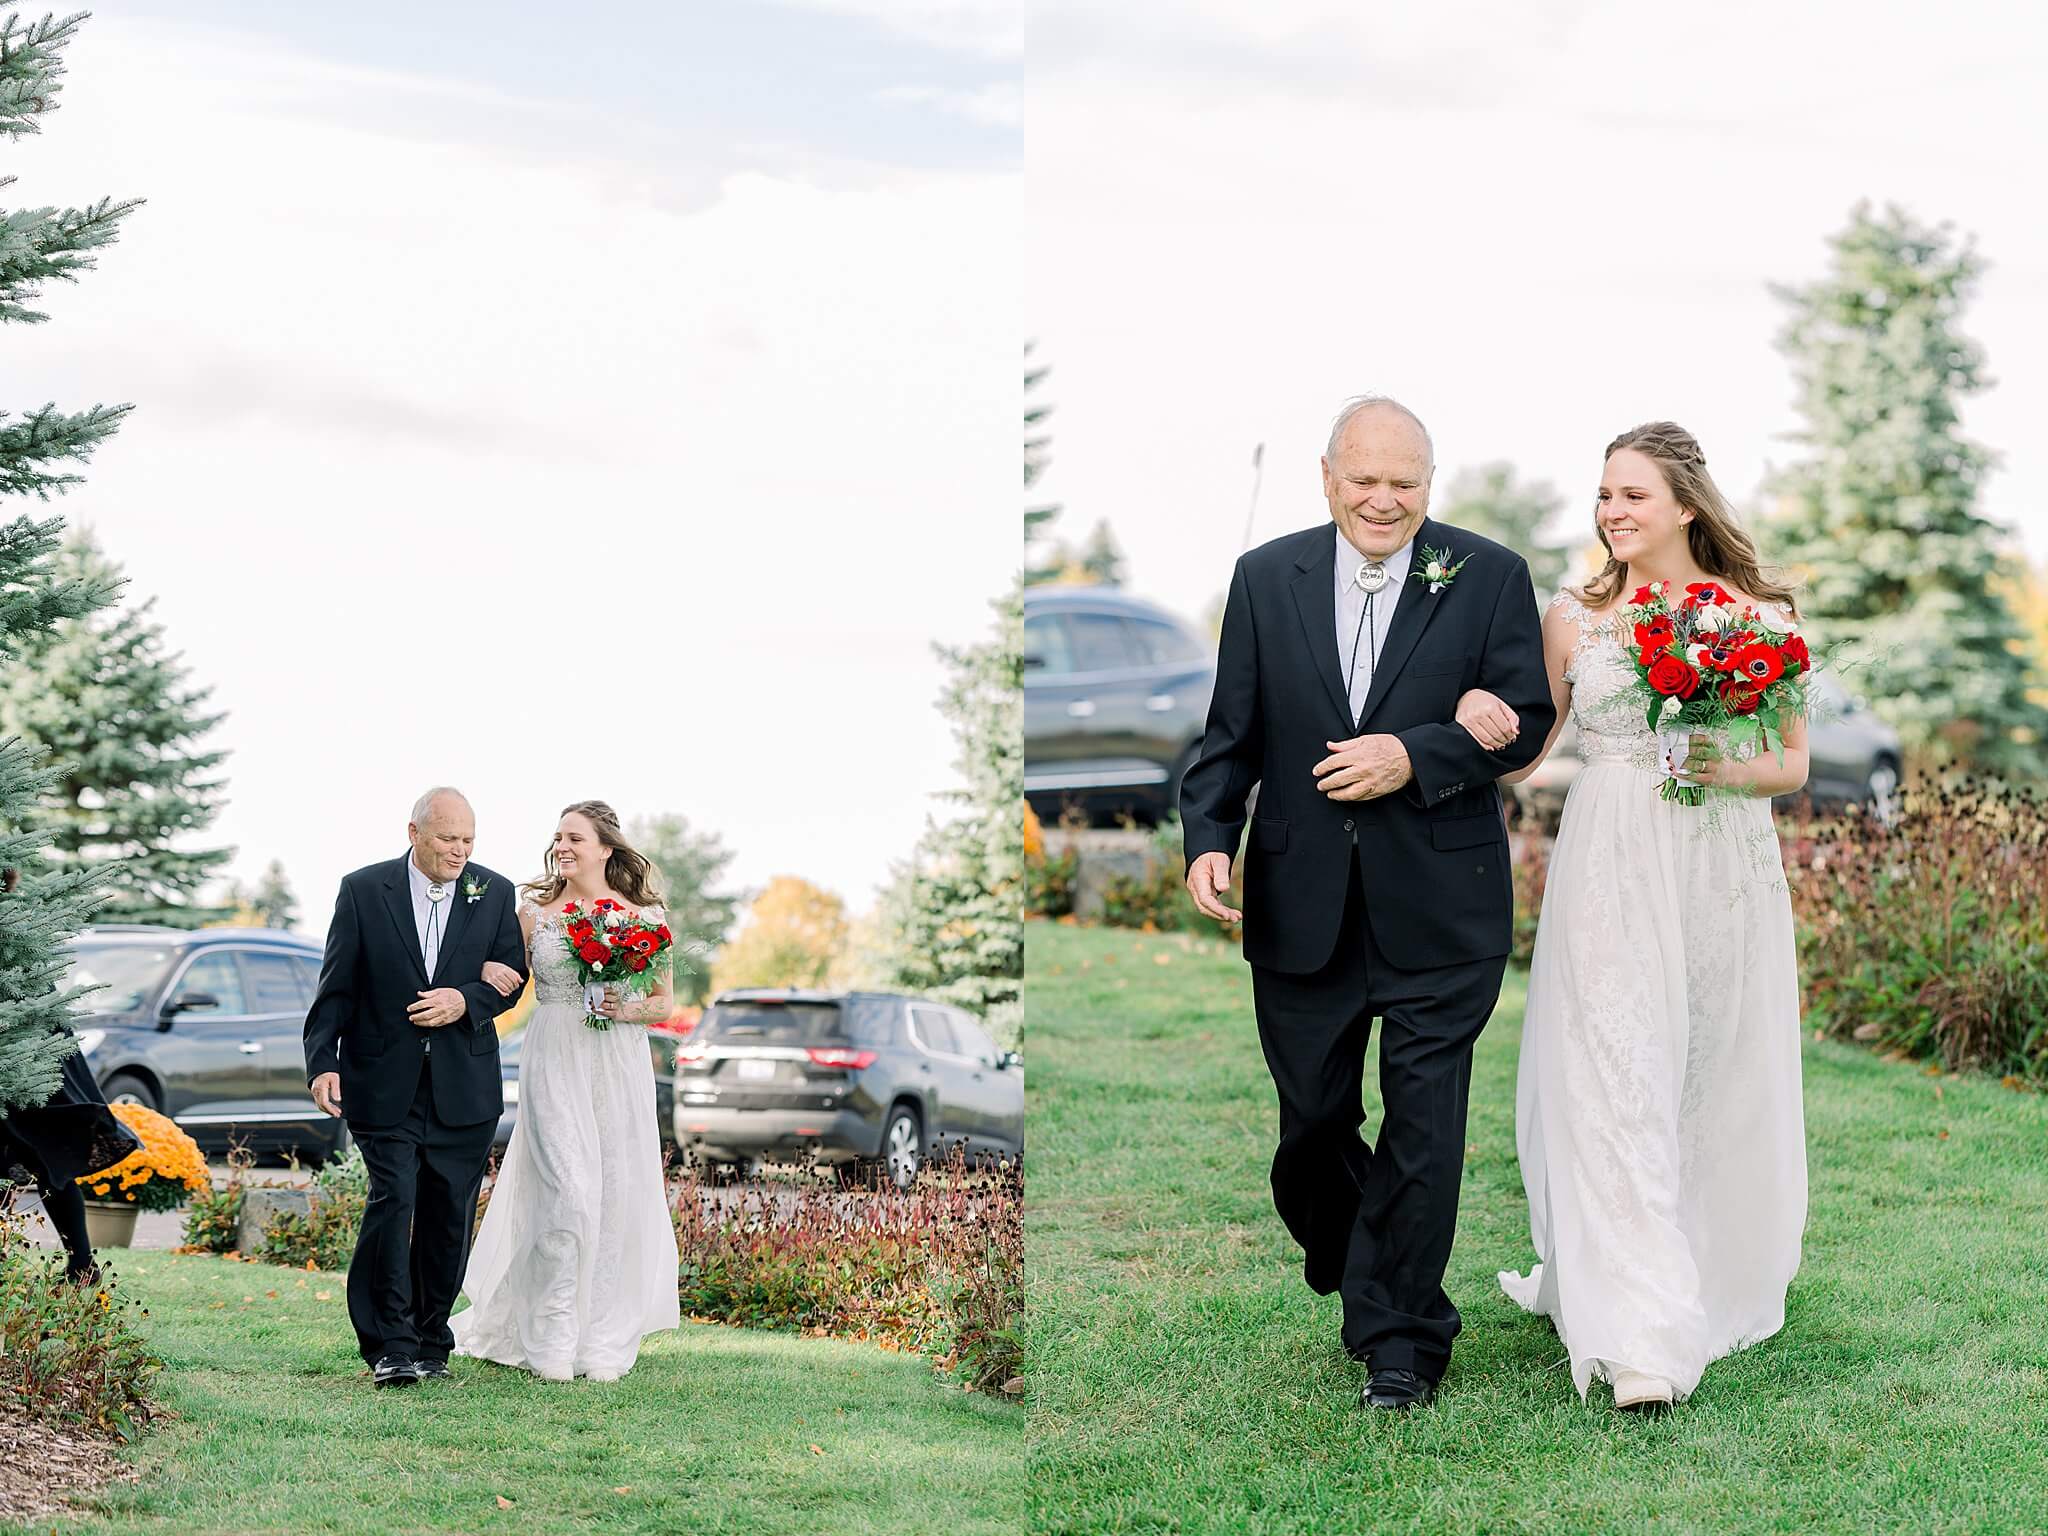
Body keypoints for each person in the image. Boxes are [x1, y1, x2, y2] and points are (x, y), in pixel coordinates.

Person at [1181, 394, 1554, 1411]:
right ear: (1326, 476)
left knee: (1424, 1127)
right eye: (1364, 480)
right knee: (1311, 1123)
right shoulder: (1266, 579)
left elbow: (1523, 723)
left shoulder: (1487, 576)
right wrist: (1208, 838)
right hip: (1300, 899)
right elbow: (1231, 732)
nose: (1382, 500)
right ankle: (1365, 1263)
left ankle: (1402, 1341)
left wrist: (1414, 754)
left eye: (1404, 483)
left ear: (1429, 485)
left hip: (1442, 903)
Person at [1468, 421, 1810, 1410]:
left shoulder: (1758, 619)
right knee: (1614, 1070)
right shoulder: (1574, 614)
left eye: (1632, 496)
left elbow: (1785, 764)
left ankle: (1691, 1270)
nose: (1611, 513)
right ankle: (1642, 1339)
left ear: (1686, 506)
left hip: (1716, 866)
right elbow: (1529, 749)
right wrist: (1470, 730)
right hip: (1608, 858)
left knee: (1702, 1072)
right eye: (1604, 495)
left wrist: (1717, 762)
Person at [303, 787, 529, 1388]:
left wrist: (467, 998)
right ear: (414, 833)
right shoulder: (362, 890)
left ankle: (432, 1339)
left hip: (464, 1084)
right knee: (393, 1201)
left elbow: (512, 975)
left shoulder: (495, 891)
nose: (460, 852)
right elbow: (337, 987)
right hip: (382, 1082)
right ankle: (389, 1345)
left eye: (468, 841)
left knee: (447, 1215)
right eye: (448, 839)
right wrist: (322, 1061)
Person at [448, 800, 680, 1381]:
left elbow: (664, 1004)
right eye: (558, 837)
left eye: (575, 837)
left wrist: (622, 1005)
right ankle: (549, 1330)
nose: (563, 846)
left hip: (616, 1063)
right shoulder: (534, 914)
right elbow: (501, 973)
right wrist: (481, 976)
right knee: (566, 1191)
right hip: (552, 1055)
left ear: (605, 848)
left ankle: (597, 1333)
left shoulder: (644, 917)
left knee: (610, 1194)